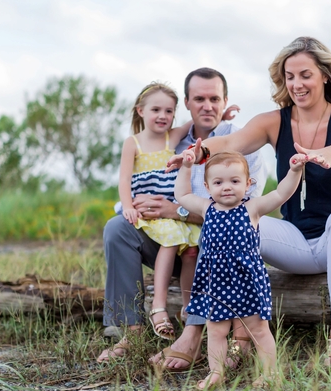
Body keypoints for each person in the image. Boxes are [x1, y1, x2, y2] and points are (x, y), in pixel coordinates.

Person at [156, 36, 331, 370]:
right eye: (289, 76)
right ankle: (225, 337)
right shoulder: (275, 121)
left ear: (324, 75)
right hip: (298, 242)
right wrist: (198, 152)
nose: (296, 84)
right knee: (232, 222)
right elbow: (232, 141)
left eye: (304, 75)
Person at [98, 68, 267, 362]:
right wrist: (141, 204)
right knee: (117, 229)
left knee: (214, 239)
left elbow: (242, 214)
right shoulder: (169, 140)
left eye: (214, 98)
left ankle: (194, 335)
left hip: (216, 247)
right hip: (170, 240)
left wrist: (175, 210)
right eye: (199, 98)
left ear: (225, 101)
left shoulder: (244, 143)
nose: (207, 105)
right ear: (187, 104)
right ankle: (132, 329)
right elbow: (138, 176)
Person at [175, 149, 307, 388]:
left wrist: (295, 170)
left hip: (247, 282)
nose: (227, 187)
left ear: (248, 184)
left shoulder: (252, 209)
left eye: (235, 181)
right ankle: (216, 372)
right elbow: (182, 194)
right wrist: (186, 167)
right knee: (215, 331)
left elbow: (281, 193)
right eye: (218, 182)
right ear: (207, 186)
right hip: (216, 283)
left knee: (258, 329)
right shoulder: (208, 209)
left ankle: (270, 373)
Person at [118, 82, 200, 341]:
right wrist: (128, 206)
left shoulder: (171, 138)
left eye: (169, 111)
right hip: (151, 213)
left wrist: (226, 111)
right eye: (156, 110)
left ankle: (189, 308)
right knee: (171, 240)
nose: (163, 116)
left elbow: (196, 121)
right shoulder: (133, 143)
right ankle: (159, 306)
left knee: (192, 250)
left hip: (172, 210)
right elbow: (123, 179)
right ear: (140, 110)